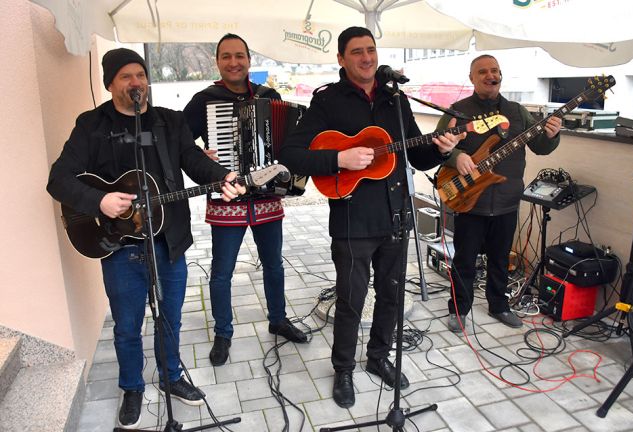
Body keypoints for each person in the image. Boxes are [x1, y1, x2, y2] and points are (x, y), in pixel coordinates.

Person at [47, 48, 247, 429]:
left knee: (170, 317)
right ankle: (132, 387)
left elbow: (193, 159)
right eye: (126, 76)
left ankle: (170, 376)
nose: (136, 82)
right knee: (127, 325)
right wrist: (100, 201)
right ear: (110, 84)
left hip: (168, 240)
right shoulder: (91, 125)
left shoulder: (169, 121)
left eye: (141, 75)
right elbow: (58, 179)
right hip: (118, 244)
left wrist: (221, 176)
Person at [279, 26, 463, 408]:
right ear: (341, 58)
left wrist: (442, 150)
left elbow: (417, 156)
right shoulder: (327, 101)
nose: (366, 57)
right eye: (357, 51)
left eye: (371, 49)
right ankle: (343, 369)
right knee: (351, 299)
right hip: (353, 219)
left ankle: (378, 357)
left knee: (392, 295)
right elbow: (292, 154)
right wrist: (339, 158)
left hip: (396, 215)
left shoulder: (396, 99)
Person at [183, 33, 307, 368]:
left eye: (239, 56)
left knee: (274, 264)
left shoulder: (270, 96)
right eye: (226, 56)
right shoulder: (204, 101)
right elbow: (180, 143)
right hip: (227, 199)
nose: (234, 62)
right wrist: (201, 155)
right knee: (221, 271)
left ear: (249, 60)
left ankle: (278, 320)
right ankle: (223, 333)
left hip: (267, 199)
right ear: (217, 62)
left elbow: (289, 143)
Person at [436, 54, 561, 333]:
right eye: (482, 71)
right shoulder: (458, 111)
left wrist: (552, 136)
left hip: (506, 200)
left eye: (494, 70)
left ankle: (499, 305)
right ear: (471, 78)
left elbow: (540, 146)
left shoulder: (517, 112)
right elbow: (438, 145)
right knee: (464, 260)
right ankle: (459, 309)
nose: (490, 75)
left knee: (501, 259)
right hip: (469, 199)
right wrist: (456, 156)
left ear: (500, 75)